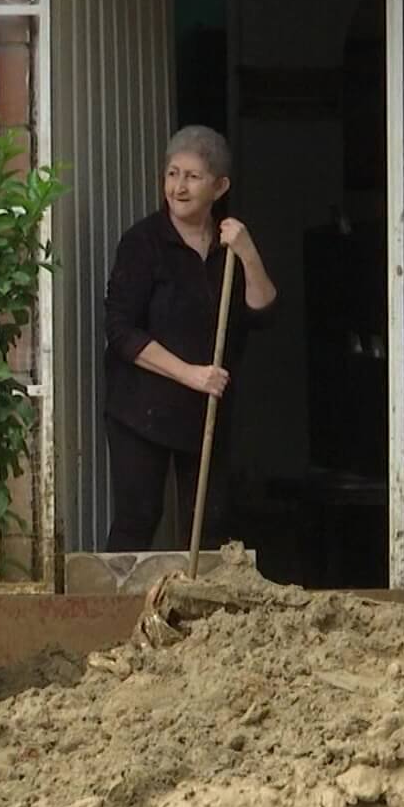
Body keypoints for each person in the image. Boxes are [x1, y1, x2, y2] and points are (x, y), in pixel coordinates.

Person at [102, 125, 278, 552]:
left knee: (209, 527)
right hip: (142, 409)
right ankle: (116, 615)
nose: (178, 188)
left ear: (220, 187)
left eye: (192, 177)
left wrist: (248, 251)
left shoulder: (228, 248)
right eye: (172, 174)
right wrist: (191, 375)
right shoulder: (144, 243)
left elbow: (263, 311)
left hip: (207, 411)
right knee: (138, 517)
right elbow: (121, 333)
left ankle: (199, 616)